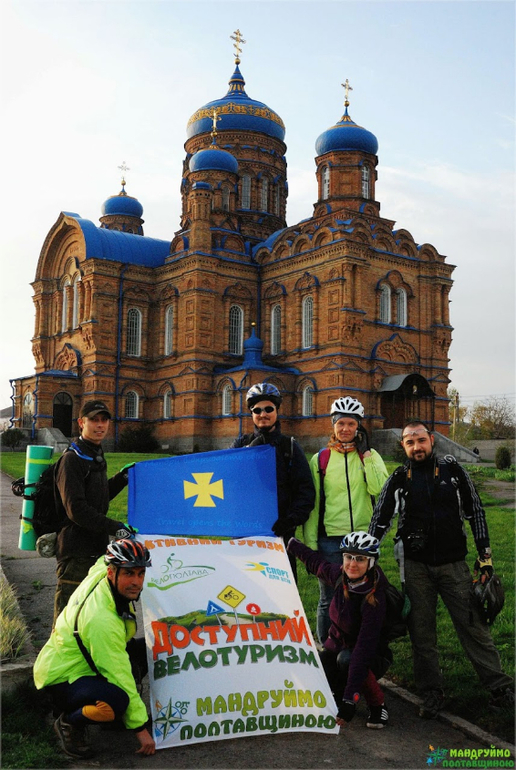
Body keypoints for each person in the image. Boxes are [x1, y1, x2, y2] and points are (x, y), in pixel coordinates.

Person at [369, 420, 514, 718]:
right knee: (421, 633)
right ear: (404, 446)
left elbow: (475, 511)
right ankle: (431, 692)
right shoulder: (399, 477)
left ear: (431, 440)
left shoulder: (454, 471)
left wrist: (484, 553)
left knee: (473, 626)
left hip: (454, 565)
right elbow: (380, 518)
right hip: (415, 567)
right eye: (410, 442)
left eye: (420, 440)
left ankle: (499, 687)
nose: (416, 446)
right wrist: (368, 557)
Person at [34, 539, 155, 759]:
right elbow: (119, 674)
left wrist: (127, 536)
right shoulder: (101, 621)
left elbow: (101, 559)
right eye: (129, 574)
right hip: (62, 678)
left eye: (140, 573)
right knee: (117, 700)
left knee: (149, 652)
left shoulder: (101, 572)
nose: (136, 582)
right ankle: (69, 723)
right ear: (112, 573)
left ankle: (113, 717)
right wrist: (141, 728)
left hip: (84, 664)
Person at [303, 396, 389, 644]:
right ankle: (325, 650)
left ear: (359, 427)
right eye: (340, 424)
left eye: (351, 424)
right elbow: (314, 504)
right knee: (328, 598)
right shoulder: (321, 459)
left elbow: (380, 491)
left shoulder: (369, 456)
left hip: (363, 539)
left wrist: (367, 455)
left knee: (364, 597)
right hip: (330, 540)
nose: (345, 429)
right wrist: (311, 545)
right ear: (333, 425)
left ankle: (354, 648)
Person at [288, 531, 391, 729]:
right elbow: (314, 562)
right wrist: (289, 542)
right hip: (340, 648)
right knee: (320, 664)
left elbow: (363, 651)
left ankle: (378, 705)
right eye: (348, 557)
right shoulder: (339, 576)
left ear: (371, 563)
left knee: (348, 659)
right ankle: (338, 691)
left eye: (360, 559)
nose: (352, 564)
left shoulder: (375, 598)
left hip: (371, 656)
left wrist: (350, 700)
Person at [53, 400, 134, 624]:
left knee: (91, 619)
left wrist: (122, 478)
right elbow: (76, 510)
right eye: (94, 420)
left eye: (104, 420)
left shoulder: (93, 455)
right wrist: (116, 528)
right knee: (67, 621)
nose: (100, 425)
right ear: (81, 423)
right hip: (75, 554)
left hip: (96, 551)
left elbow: (98, 498)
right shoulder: (72, 459)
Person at [231, 382, 315, 582]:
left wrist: (290, 520)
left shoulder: (290, 447)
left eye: (269, 409)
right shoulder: (241, 444)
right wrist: (251, 451)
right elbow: (229, 483)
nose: (263, 414)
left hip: (280, 535)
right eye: (257, 410)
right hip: (247, 533)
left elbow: (305, 491)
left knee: (282, 594)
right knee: (247, 591)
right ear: (251, 414)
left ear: (277, 411)